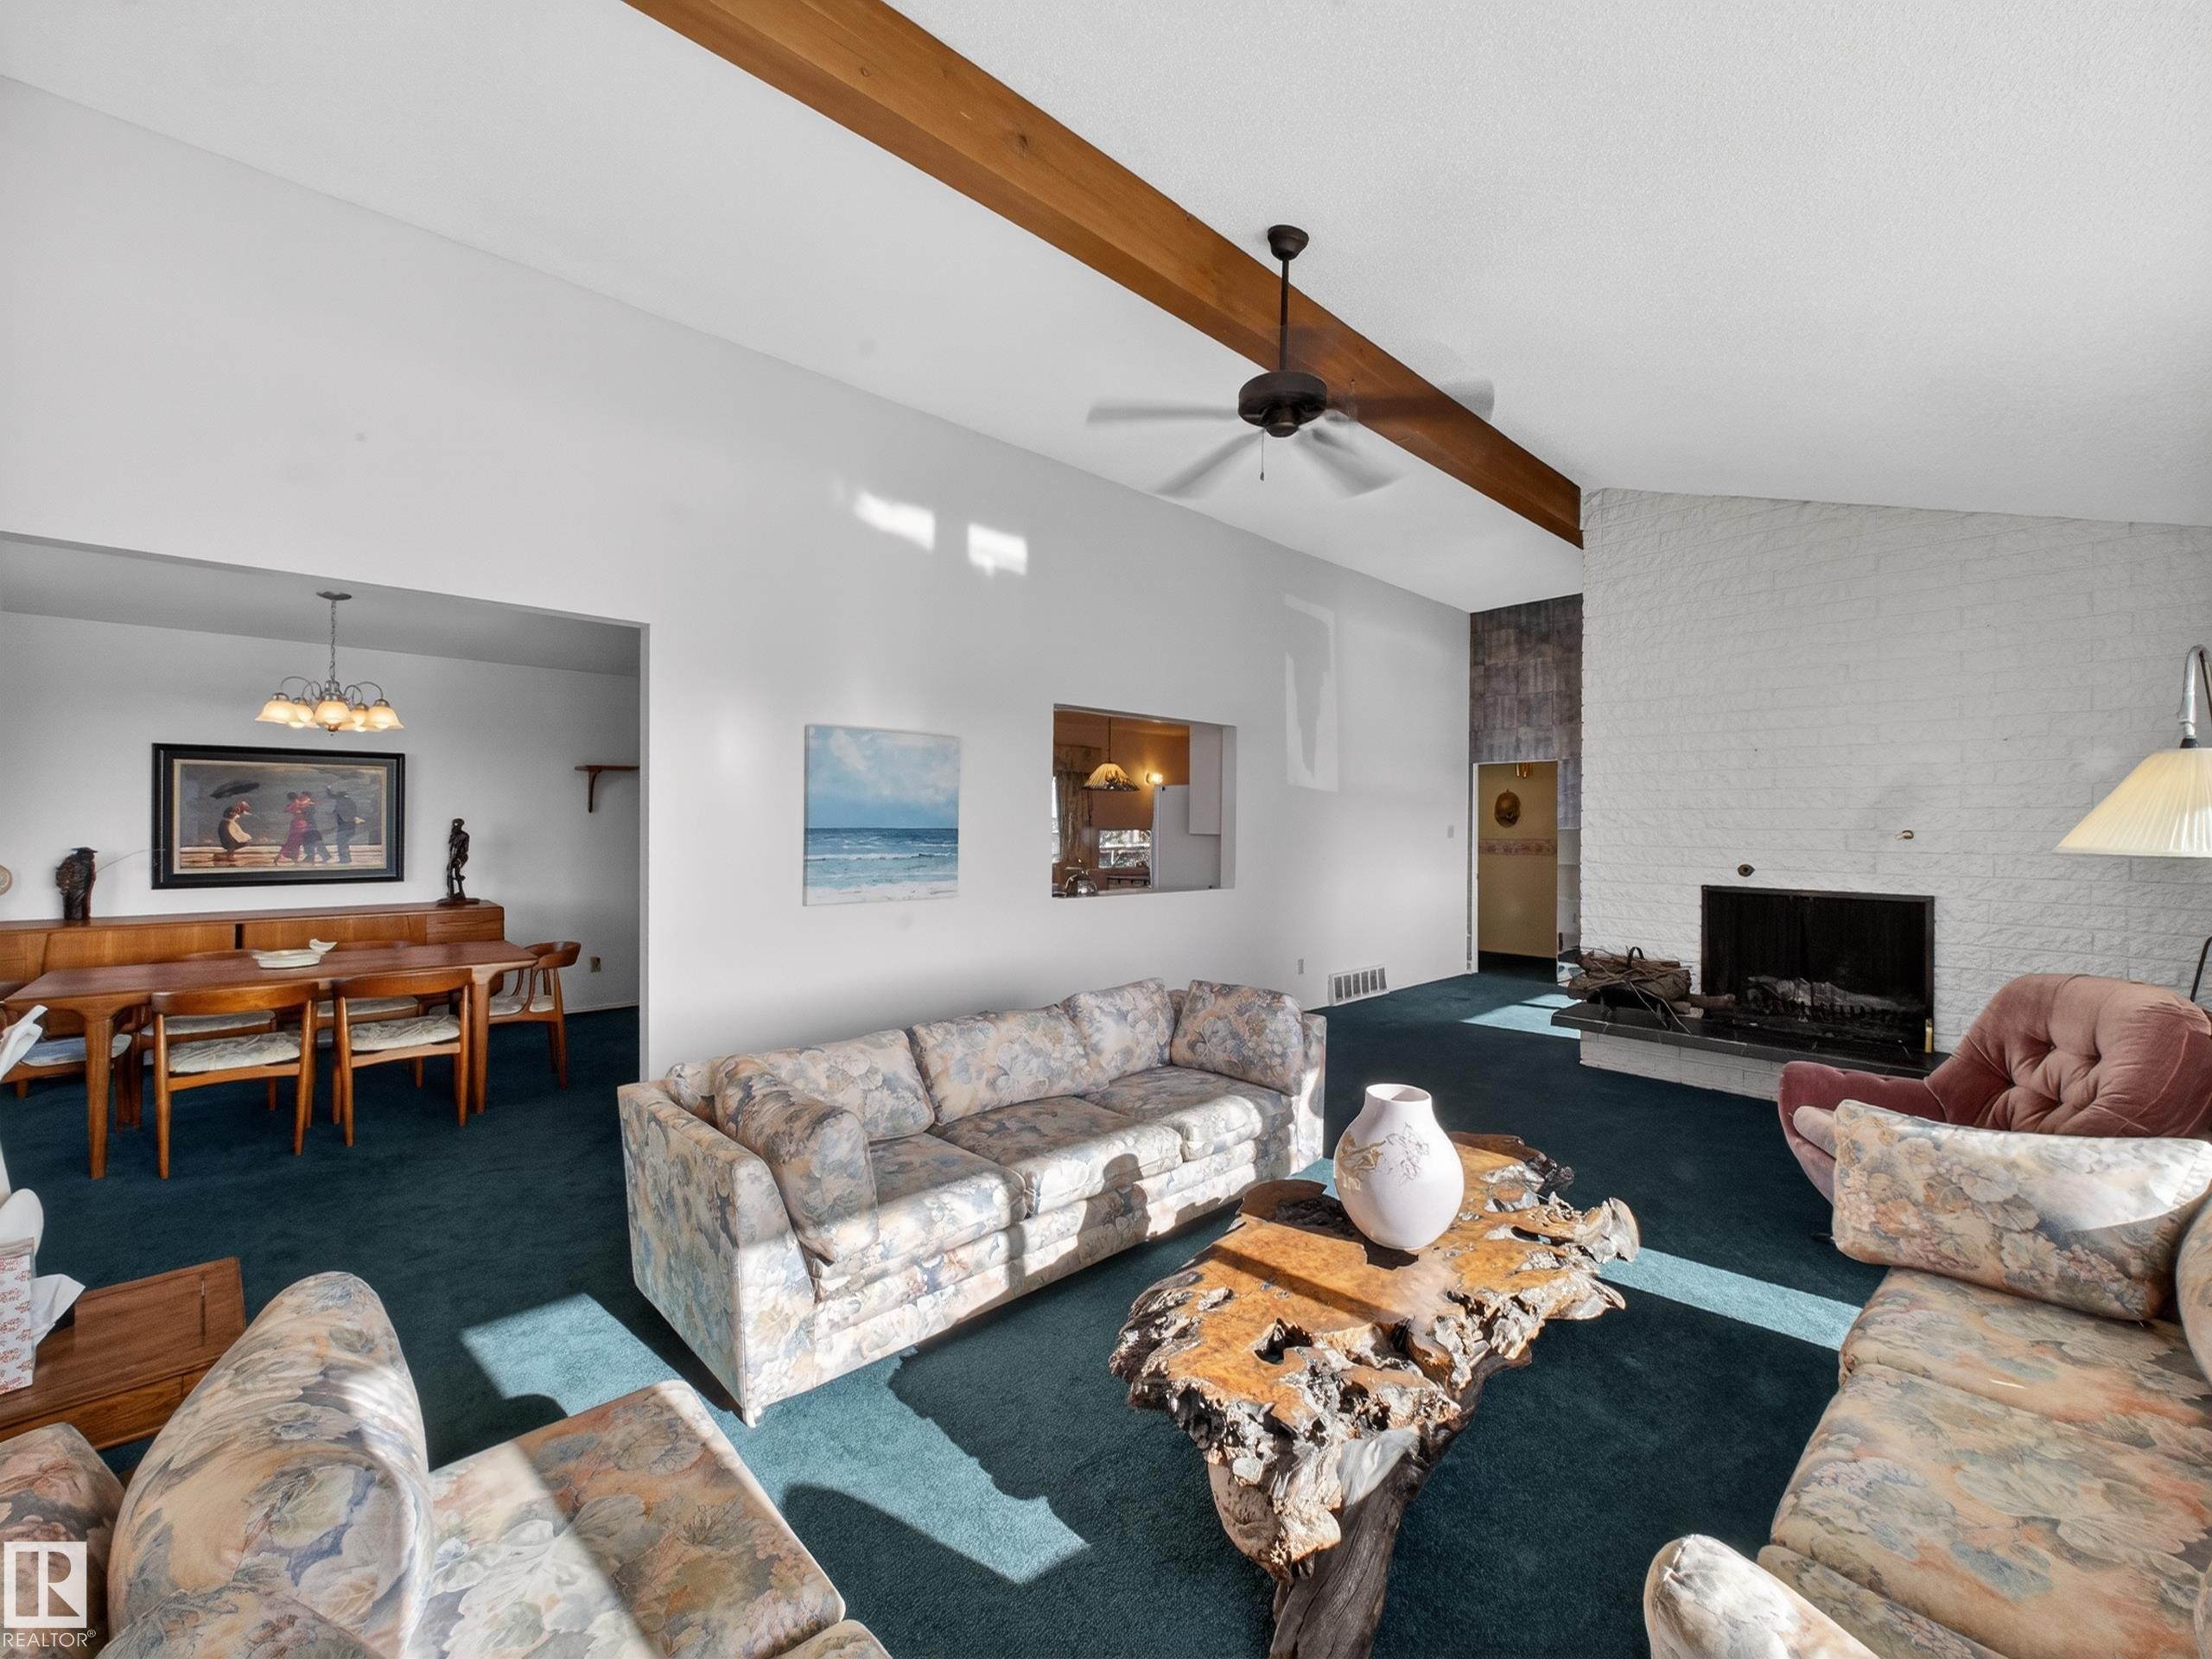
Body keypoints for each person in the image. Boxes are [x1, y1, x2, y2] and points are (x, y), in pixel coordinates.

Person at [327, 789, 361, 866]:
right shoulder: (351, 801)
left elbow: (338, 810)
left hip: (344, 826)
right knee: (345, 843)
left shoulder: (341, 802)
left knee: (342, 843)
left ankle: (344, 859)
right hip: (351, 825)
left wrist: (328, 789)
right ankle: (347, 858)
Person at [276, 792, 312, 864]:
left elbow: (286, 810)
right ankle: (294, 858)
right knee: (296, 842)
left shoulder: (293, 804)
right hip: (302, 824)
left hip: (295, 824)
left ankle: (283, 856)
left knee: (291, 841)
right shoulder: (300, 803)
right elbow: (309, 804)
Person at [217, 800, 254, 865]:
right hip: (227, 830)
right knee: (231, 841)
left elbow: (237, 815)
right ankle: (229, 856)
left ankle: (229, 854)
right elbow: (231, 815)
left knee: (238, 841)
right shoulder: (228, 819)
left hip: (230, 826)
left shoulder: (236, 813)